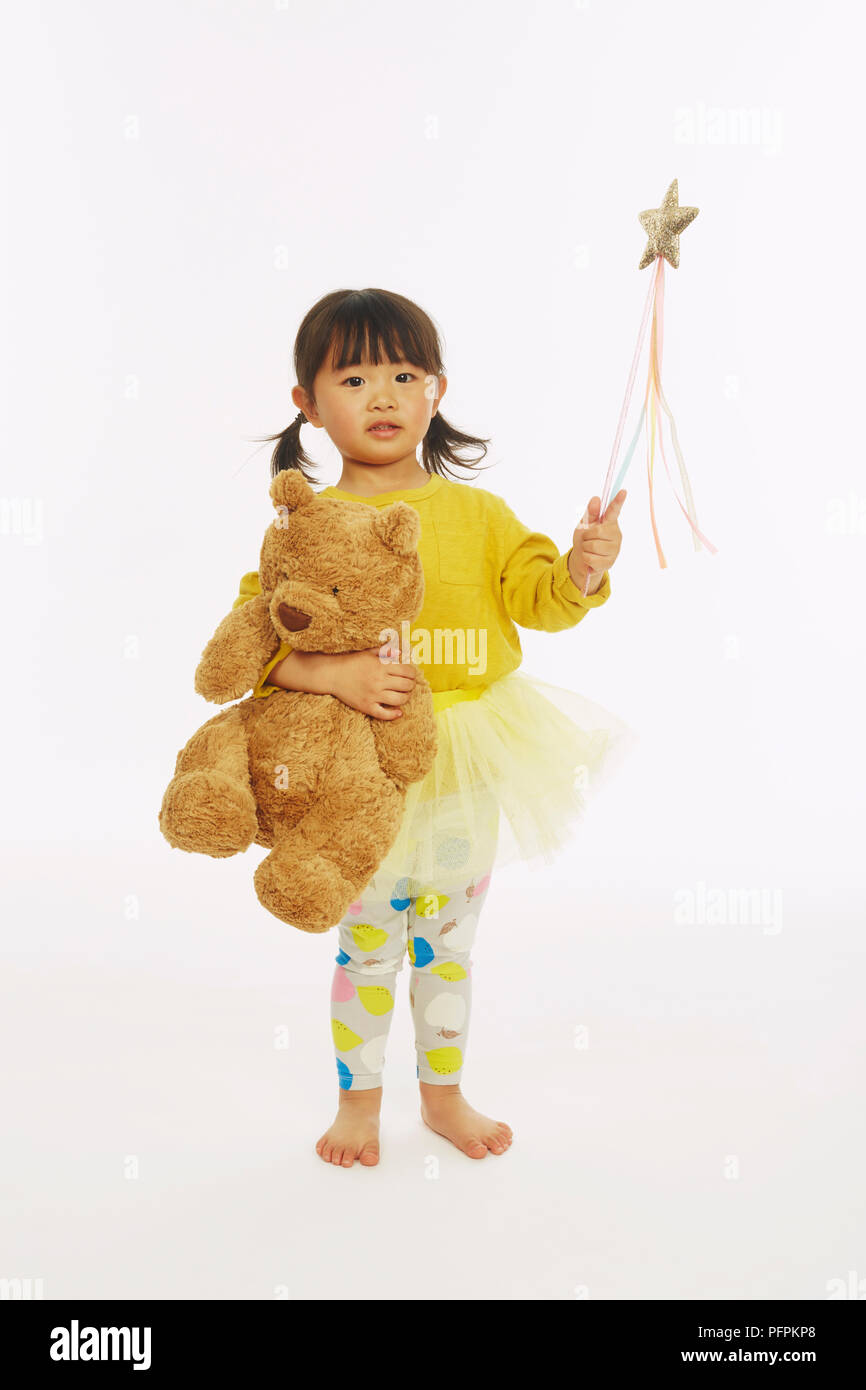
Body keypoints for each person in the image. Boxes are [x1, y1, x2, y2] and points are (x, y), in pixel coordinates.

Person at [232, 287, 632, 1169]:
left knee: (447, 945)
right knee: (368, 943)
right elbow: (255, 638)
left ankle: (444, 1097)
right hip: (356, 774)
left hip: (466, 761)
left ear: (436, 391)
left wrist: (582, 568)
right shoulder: (307, 527)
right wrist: (336, 672)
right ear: (306, 402)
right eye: (354, 375)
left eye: (404, 374)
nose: (382, 395)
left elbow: (544, 599)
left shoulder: (481, 517)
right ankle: (359, 1104)